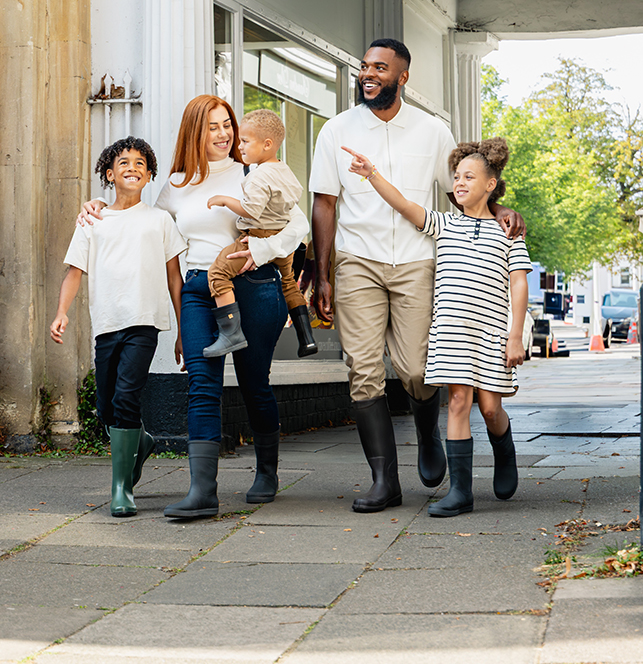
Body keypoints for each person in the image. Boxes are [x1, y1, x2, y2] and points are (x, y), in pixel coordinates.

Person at [310, 38, 525, 514]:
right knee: (363, 373)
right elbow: (324, 201)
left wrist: (500, 208)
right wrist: (322, 273)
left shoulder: (432, 131)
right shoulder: (337, 130)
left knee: (415, 369)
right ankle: (384, 480)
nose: (368, 74)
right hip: (356, 259)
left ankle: (428, 431)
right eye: (364, 66)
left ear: (401, 77)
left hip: (416, 261)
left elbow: (460, 190)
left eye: (380, 68)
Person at [80, 95, 309, 519]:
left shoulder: (254, 172)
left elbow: (299, 225)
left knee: (253, 380)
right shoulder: (176, 185)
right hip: (199, 289)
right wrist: (97, 206)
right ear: (195, 132)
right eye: (213, 127)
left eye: (228, 125)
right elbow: (139, 216)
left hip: (254, 285)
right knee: (202, 383)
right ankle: (203, 490)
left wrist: (261, 252)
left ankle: (267, 471)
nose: (223, 134)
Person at [344, 138, 531, 517]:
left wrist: (514, 336)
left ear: (491, 184)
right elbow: (403, 204)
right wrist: (372, 174)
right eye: (456, 176)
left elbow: (519, 283)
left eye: (469, 177)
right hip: (451, 332)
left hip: (491, 333)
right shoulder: (444, 224)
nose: (459, 183)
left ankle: (504, 450)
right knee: (459, 401)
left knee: (491, 408)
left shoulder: (507, 232)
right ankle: (460, 491)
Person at [51, 137, 186, 517]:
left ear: (149, 175)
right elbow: (74, 272)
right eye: (123, 162)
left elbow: (174, 278)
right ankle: (140, 441)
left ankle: (121, 488)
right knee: (108, 406)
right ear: (109, 174)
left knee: (127, 397)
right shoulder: (93, 220)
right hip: (107, 323)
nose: (132, 167)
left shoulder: (160, 220)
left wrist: (181, 330)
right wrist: (62, 311)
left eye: (140, 163)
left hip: (144, 322)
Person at [205, 108, 317, 359]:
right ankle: (307, 338)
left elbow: (251, 211)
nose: (240, 146)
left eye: (245, 141)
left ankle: (230, 334)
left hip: (257, 237)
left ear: (267, 144)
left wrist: (225, 200)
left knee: (218, 273)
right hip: (283, 246)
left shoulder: (257, 176)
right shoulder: (284, 171)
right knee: (290, 284)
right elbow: (292, 211)